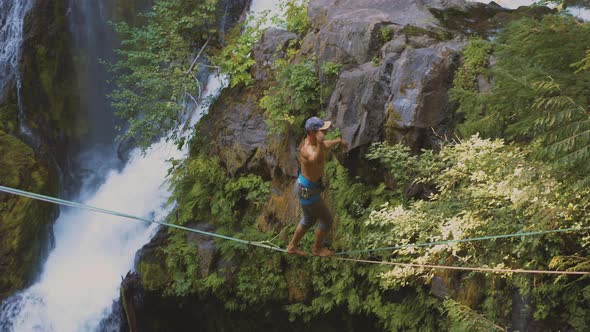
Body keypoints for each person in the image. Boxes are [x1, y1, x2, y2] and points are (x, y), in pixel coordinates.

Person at [287, 117, 349, 257]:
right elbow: (316, 159)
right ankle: (317, 250)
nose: (325, 132)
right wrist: (321, 142)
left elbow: (325, 145)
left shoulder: (316, 143)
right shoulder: (307, 149)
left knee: (309, 219)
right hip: (308, 190)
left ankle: (292, 246)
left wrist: (339, 141)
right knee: (327, 220)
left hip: (304, 186)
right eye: (321, 130)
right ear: (312, 132)